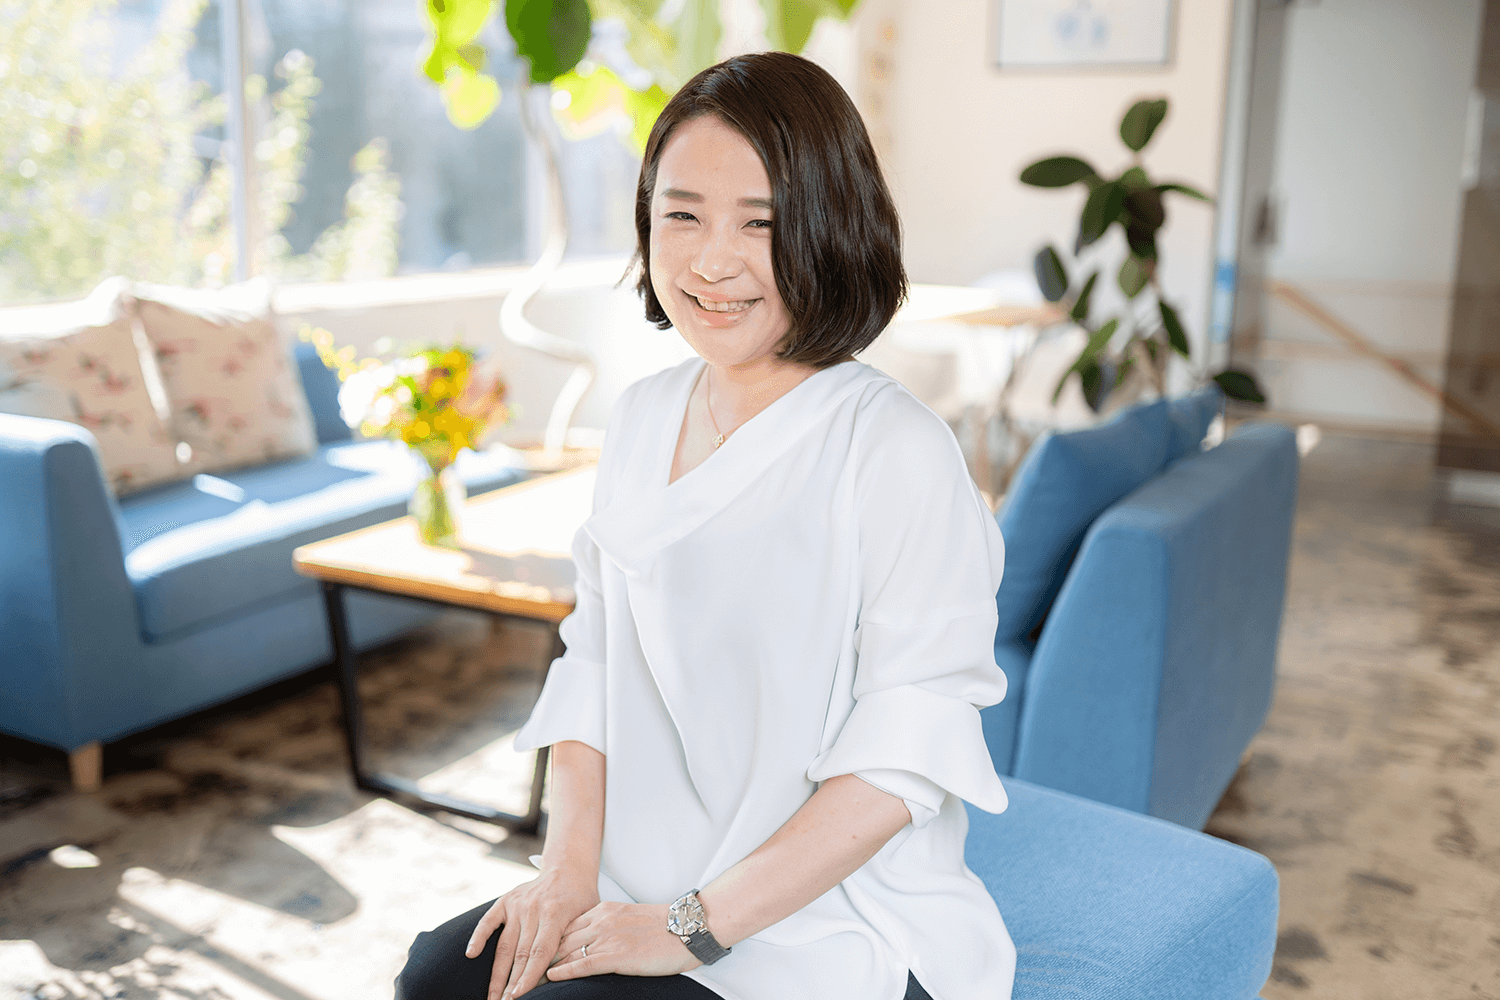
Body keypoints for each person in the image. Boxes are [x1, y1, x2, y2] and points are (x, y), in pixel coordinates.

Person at [394, 51, 1015, 1000]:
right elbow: (593, 664)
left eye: (760, 223)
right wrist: (565, 876)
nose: (712, 261)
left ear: (830, 229)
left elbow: (905, 757)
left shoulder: (894, 447)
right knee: (435, 978)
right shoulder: (643, 415)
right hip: (640, 879)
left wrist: (690, 927)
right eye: (682, 215)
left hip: (830, 922)